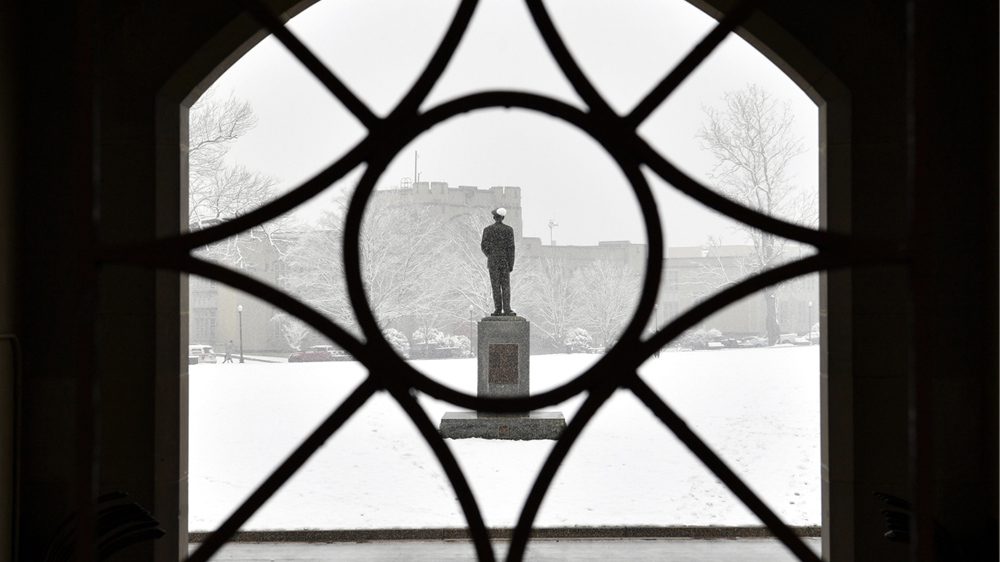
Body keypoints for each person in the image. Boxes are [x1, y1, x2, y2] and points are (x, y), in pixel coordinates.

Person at [480, 207, 516, 316]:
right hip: (504, 262)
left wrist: (490, 255)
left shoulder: (488, 230)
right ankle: (507, 309)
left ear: (494, 217)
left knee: (495, 286)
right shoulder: (508, 230)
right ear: (503, 217)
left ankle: (498, 309)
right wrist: (510, 263)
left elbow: (483, 246)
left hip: (493, 263)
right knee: (505, 286)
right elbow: (511, 248)